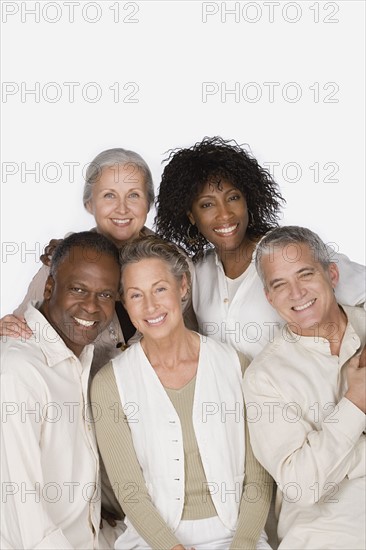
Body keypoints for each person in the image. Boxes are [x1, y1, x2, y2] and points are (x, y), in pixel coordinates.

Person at [91, 236, 273, 550]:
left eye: (160, 289)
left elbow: (258, 476)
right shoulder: (110, 384)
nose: (151, 306)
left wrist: (243, 543)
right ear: (124, 302)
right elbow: (129, 488)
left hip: (237, 536)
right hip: (153, 541)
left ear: (183, 286)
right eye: (136, 295)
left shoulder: (235, 365)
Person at [155, 136, 366, 360]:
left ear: (248, 200)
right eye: (207, 204)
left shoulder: (289, 252)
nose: (225, 214)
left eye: (233, 197)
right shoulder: (197, 271)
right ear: (191, 216)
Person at [243, 226, 366, 550]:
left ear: (332, 274)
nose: (296, 293)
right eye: (280, 284)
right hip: (327, 536)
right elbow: (302, 485)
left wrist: (336, 460)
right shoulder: (265, 377)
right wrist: (355, 402)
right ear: (269, 297)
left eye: (305, 274)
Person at [1, 232, 124, 549]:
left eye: (105, 295)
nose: (92, 307)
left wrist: (94, 517)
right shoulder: (19, 372)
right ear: (49, 287)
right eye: (79, 289)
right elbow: (24, 521)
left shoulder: (79, 359)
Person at [0, 147, 155, 375]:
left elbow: (192, 338)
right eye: (109, 195)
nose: (122, 208)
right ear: (89, 204)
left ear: (149, 203)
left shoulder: (175, 265)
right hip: (78, 402)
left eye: (133, 195)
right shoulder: (62, 260)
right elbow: (23, 330)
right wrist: (6, 328)